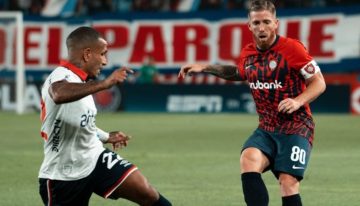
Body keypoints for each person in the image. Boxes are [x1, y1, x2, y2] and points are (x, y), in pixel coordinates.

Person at [178, 0, 326, 205]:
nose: (261, 27)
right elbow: (238, 73)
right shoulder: (248, 53)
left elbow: (319, 83)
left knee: (287, 181)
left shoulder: (293, 49)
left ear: (276, 23)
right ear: (249, 26)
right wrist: (204, 67)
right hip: (266, 128)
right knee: (248, 159)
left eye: (266, 22)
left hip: (296, 127)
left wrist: (297, 101)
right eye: (256, 23)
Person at [38, 26, 172, 206]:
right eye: (102, 54)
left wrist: (107, 136)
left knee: (149, 195)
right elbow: (59, 94)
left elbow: (81, 123)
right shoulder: (60, 75)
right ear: (87, 54)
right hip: (63, 173)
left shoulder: (83, 83)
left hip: (95, 157)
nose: (105, 61)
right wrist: (106, 83)